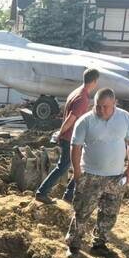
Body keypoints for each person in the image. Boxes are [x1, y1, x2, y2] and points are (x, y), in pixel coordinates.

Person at [65, 88, 129, 258]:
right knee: (82, 212)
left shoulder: (125, 118)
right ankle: (74, 244)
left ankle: (99, 244)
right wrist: (77, 172)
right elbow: (75, 147)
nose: (101, 110)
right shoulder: (85, 121)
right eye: (98, 106)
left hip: (116, 176)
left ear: (115, 103)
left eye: (106, 106)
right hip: (90, 175)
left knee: (109, 212)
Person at [35, 68, 99, 205]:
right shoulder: (83, 98)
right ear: (94, 81)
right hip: (71, 139)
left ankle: (69, 195)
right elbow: (71, 118)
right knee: (63, 167)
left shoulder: (76, 92)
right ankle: (42, 192)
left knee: (78, 166)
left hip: (72, 137)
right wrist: (60, 133)